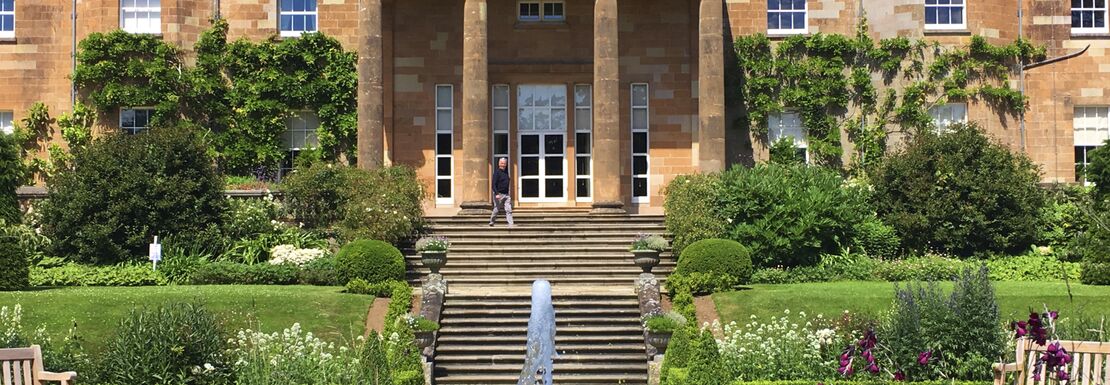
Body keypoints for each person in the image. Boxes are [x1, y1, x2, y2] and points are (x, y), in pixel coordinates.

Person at [489, 157, 514, 227]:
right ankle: (492, 221)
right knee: (496, 209)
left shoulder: (506, 172)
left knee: (509, 209)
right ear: (499, 164)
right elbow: (493, 184)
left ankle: (511, 224)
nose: (503, 165)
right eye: (502, 163)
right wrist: (496, 193)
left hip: (506, 195)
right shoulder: (497, 173)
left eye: (504, 163)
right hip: (499, 194)